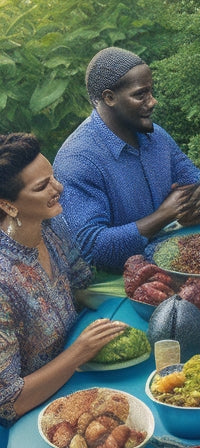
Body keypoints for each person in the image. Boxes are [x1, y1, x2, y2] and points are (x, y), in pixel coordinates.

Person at [0, 133, 127, 429]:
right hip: (35, 418)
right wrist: (79, 352)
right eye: (42, 186)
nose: (59, 188)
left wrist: (137, 291)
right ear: (7, 206)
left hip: (80, 379)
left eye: (53, 177)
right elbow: (8, 403)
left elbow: (82, 285)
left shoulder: (53, 224)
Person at [53, 47, 200, 272]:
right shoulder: (78, 160)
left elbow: (194, 178)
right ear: (109, 97)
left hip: (176, 260)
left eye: (151, 92)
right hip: (119, 284)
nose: (152, 102)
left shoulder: (156, 136)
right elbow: (91, 248)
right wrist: (162, 216)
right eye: (141, 94)